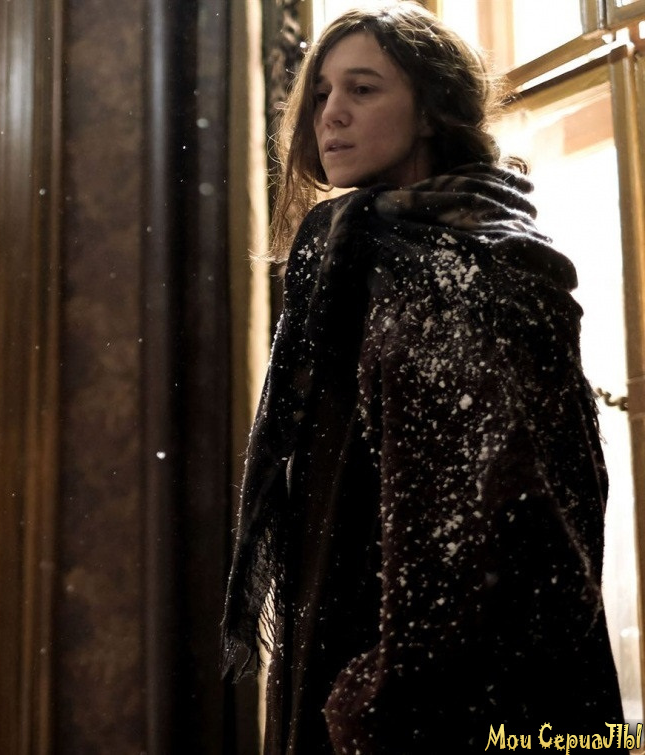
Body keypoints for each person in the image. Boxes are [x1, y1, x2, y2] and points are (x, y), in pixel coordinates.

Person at [221, 3, 624, 753]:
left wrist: (381, 694)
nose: (330, 114)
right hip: (340, 634)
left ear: (433, 109)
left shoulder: (470, 270)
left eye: (363, 89)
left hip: (447, 704)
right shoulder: (346, 248)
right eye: (321, 93)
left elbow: (500, 518)